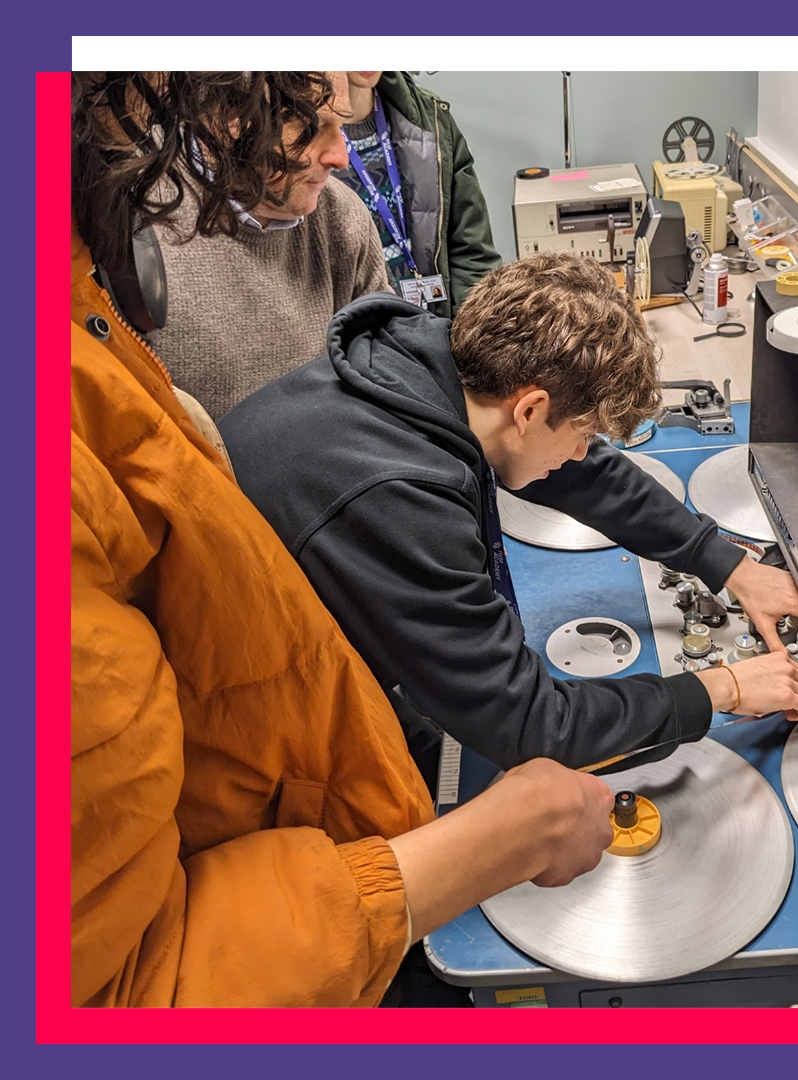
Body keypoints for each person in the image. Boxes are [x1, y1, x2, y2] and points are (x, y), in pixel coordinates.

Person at [71, 71, 615, 1010]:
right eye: (308, 107)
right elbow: (120, 995)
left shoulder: (308, 238)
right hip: (282, 884)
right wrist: (475, 850)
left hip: (321, 749)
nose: (341, 147)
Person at [219, 254, 798, 792]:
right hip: (246, 729)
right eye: (585, 433)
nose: (582, 452)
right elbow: (532, 727)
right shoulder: (396, 497)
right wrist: (721, 688)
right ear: (531, 408)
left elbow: (585, 475)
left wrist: (730, 567)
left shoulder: (433, 369)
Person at [145, 71, 391, 419]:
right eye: (313, 128)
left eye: (341, 127)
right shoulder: (135, 213)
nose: (340, 157)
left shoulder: (343, 218)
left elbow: (385, 382)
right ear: (228, 118)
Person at [335, 71, 501, 316]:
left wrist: (464, 331)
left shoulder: (431, 119)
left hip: (440, 327)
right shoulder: (292, 142)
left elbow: (473, 255)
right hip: (355, 334)